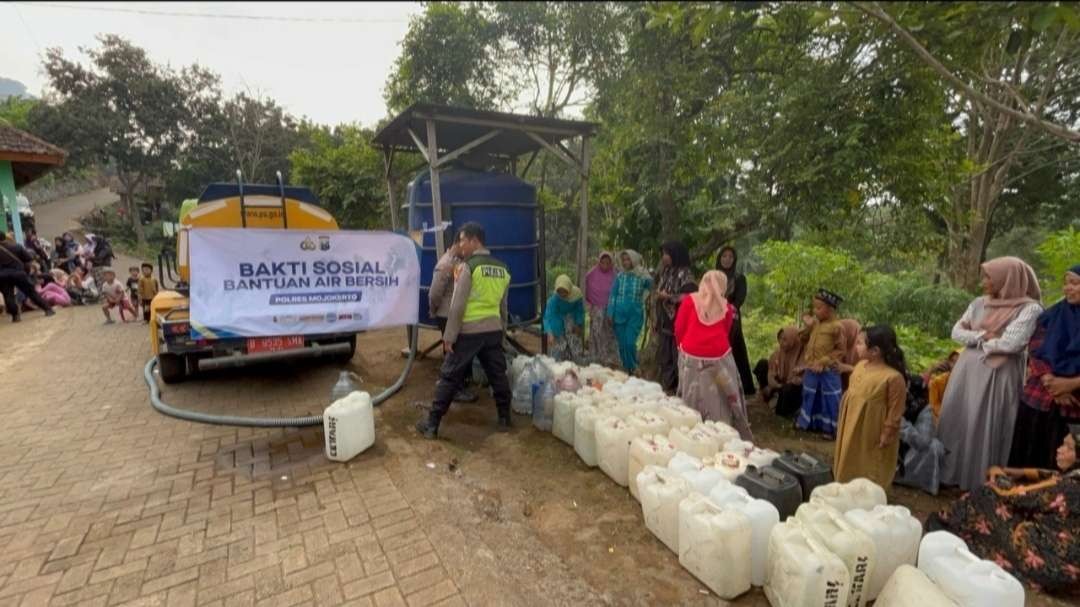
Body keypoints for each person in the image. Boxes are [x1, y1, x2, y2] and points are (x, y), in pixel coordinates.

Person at [928, 430, 1080, 595]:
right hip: (1068, 562)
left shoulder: (1068, 487)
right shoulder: (1075, 477)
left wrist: (999, 473)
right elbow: (1049, 475)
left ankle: (949, 523)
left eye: (1068, 447)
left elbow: (1017, 495)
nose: (1060, 449)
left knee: (987, 494)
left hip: (1049, 558)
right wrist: (1016, 472)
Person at [939, 256, 1043, 491]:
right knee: (961, 418)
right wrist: (982, 336)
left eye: (988, 277)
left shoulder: (1029, 308)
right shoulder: (978, 303)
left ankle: (982, 482)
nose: (984, 282)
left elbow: (1012, 344)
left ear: (1006, 279)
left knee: (987, 422)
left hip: (999, 375)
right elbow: (956, 331)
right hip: (967, 371)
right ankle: (950, 474)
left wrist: (982, 338)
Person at [416, 222, 513, 439]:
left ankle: (432, 424)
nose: (461, 245)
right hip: (493, 330)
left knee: (449, 376)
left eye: (462, 240)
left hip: (469, 331)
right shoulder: (503, 268)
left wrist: (449, 337)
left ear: (474, 240)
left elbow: (457, 306)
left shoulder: (468, 266)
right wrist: (502, 333)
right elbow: (503, 307)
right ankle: (505, 418)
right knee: (498, 375)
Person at [1008, 264, 1080, 469]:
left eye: (1075, 284)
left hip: (1073, 408)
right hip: (1037, 400)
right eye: (1066, 284)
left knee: (1061, 467)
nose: (1068, 289)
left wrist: (1071, 384)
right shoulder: (1053, 315)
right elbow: (1036, 346)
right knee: (1026, 459)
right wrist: (1051, 382)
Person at [674, 270, 752, 439]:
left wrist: (682, 347)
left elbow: (679, 327)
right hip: (719, 357)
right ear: (723, 286)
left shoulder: (690, 300)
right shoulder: (727, 308)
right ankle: (721, 428)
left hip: (691, 355)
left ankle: (690, 427)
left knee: (692, 393)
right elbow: (726, 330)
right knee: (721, 392)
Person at [833, 325, 909, 488]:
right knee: (849, 456)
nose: (855, 346)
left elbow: (896, 411)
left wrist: (887, 433)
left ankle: (866, 498)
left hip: (871, 431)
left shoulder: (893, 378)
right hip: (851, 425)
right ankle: (845, 487)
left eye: (860, 343)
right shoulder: (861, 366)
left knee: (868, 464)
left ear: (875, 351)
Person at [428, 241, 477, 403]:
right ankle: (454, 390)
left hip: (454, 314)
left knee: (457, 350)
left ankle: (456, 384)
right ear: (455, 244)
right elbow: (434, 292)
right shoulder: (445, 263)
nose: (466, 249)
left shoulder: (457, 261)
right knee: (453, 352)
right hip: (446, 314)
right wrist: (434, 310)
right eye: (463, 245)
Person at [795, 289, 846, 438]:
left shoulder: (837, 327)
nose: (815, 311)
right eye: (814, 308)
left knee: (829, 398)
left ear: (830, 310)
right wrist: (808, 326)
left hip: (828, 370)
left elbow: (841, 351)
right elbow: (802, 340)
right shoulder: (816, 324)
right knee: (810, 394)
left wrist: (824, 361)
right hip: (812, 368)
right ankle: (809, 423)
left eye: (819, 308)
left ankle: (829, 429)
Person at [655, 241, 694, 393]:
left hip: (679, 320)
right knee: (665, 356)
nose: (664, 257)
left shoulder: (685, 274)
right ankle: (667, 387)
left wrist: (669, 297)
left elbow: (689, 296)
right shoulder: (665, 272)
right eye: (663, 254)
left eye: (666, 254)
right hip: (664, 319)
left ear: (675, 255)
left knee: (677, 355)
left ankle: (680, 389)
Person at [716, 246, 755, 396]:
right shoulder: (714, 276)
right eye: (724, 256)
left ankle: (742, 386)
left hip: (731, 317)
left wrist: (727, 308)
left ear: (734, 260)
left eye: (730, 257)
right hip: (714, 316)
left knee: (733, 349)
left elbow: (739, 299)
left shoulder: (739, 278)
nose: (727, 260)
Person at [607, 250, 652, 375]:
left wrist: (643, 297)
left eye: (628, 259)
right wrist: (610, 313)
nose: (626, 262)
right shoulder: (620, 276)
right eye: (624, 260)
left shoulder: (642, 275)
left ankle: (633, 366)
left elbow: (650, 288)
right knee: (622, 344)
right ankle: (627, 369)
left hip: (635, 315)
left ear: (634, 260)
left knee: (630, 342)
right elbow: (613, 295)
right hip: (619, 315)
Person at [0, 232, 54, 322]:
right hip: (19, 274)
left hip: (2, 276)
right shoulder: (16, 247)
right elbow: (28, 258)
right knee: (31, 292)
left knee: (8, 296)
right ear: (4, 237)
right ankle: (48, 309)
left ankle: (15, 316)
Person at [755, 326, 805, 418]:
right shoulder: (780, 352)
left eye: (785, 340)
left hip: (792, 388)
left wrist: (780, 386)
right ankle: (766, 394)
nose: (781, 343)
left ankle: (783, 409)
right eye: (781, 339)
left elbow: (800, 379)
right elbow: (771, 371)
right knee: (762, 364)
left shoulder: (802, 354)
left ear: (793, 340)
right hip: (780, 384)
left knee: (789, 389)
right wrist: (772, 382)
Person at [584, 252, 619, 367]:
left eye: (608, 263)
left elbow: (618, 294)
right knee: (596, 334)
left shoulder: (615, 276)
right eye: (602, 262)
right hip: (596, 309)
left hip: (610, 310)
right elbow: (587, 292)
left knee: (609, 335)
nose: (605, 265)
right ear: (599, 262)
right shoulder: (591, 274)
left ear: (611, 263)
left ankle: (608, 361)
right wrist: (590, 306)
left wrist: (613, 309)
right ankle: (596, 359)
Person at [924, 349, 960, 423]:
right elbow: (934, 405)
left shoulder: (972, 382)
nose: (954, 365)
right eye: (952, 361)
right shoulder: (938, 382)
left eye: (959, 362)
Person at [835, 318, 862, 389]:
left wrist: (848, 368)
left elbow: (870, 373)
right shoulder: (837, 346)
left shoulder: (863, 350)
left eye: (843, 334)